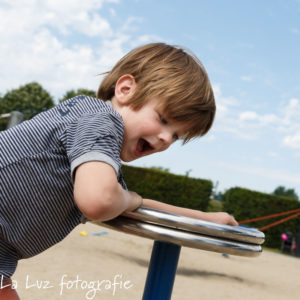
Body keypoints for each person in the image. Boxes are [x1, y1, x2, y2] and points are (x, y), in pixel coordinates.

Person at [0, 42, 238, 299]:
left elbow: (136, 206)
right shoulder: (100, 119)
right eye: (163, 120)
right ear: (125, 90)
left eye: (176, 136)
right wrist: (128, 198)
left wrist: (205, 218)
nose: (166, 139)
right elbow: (101, 201)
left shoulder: (97, 162)